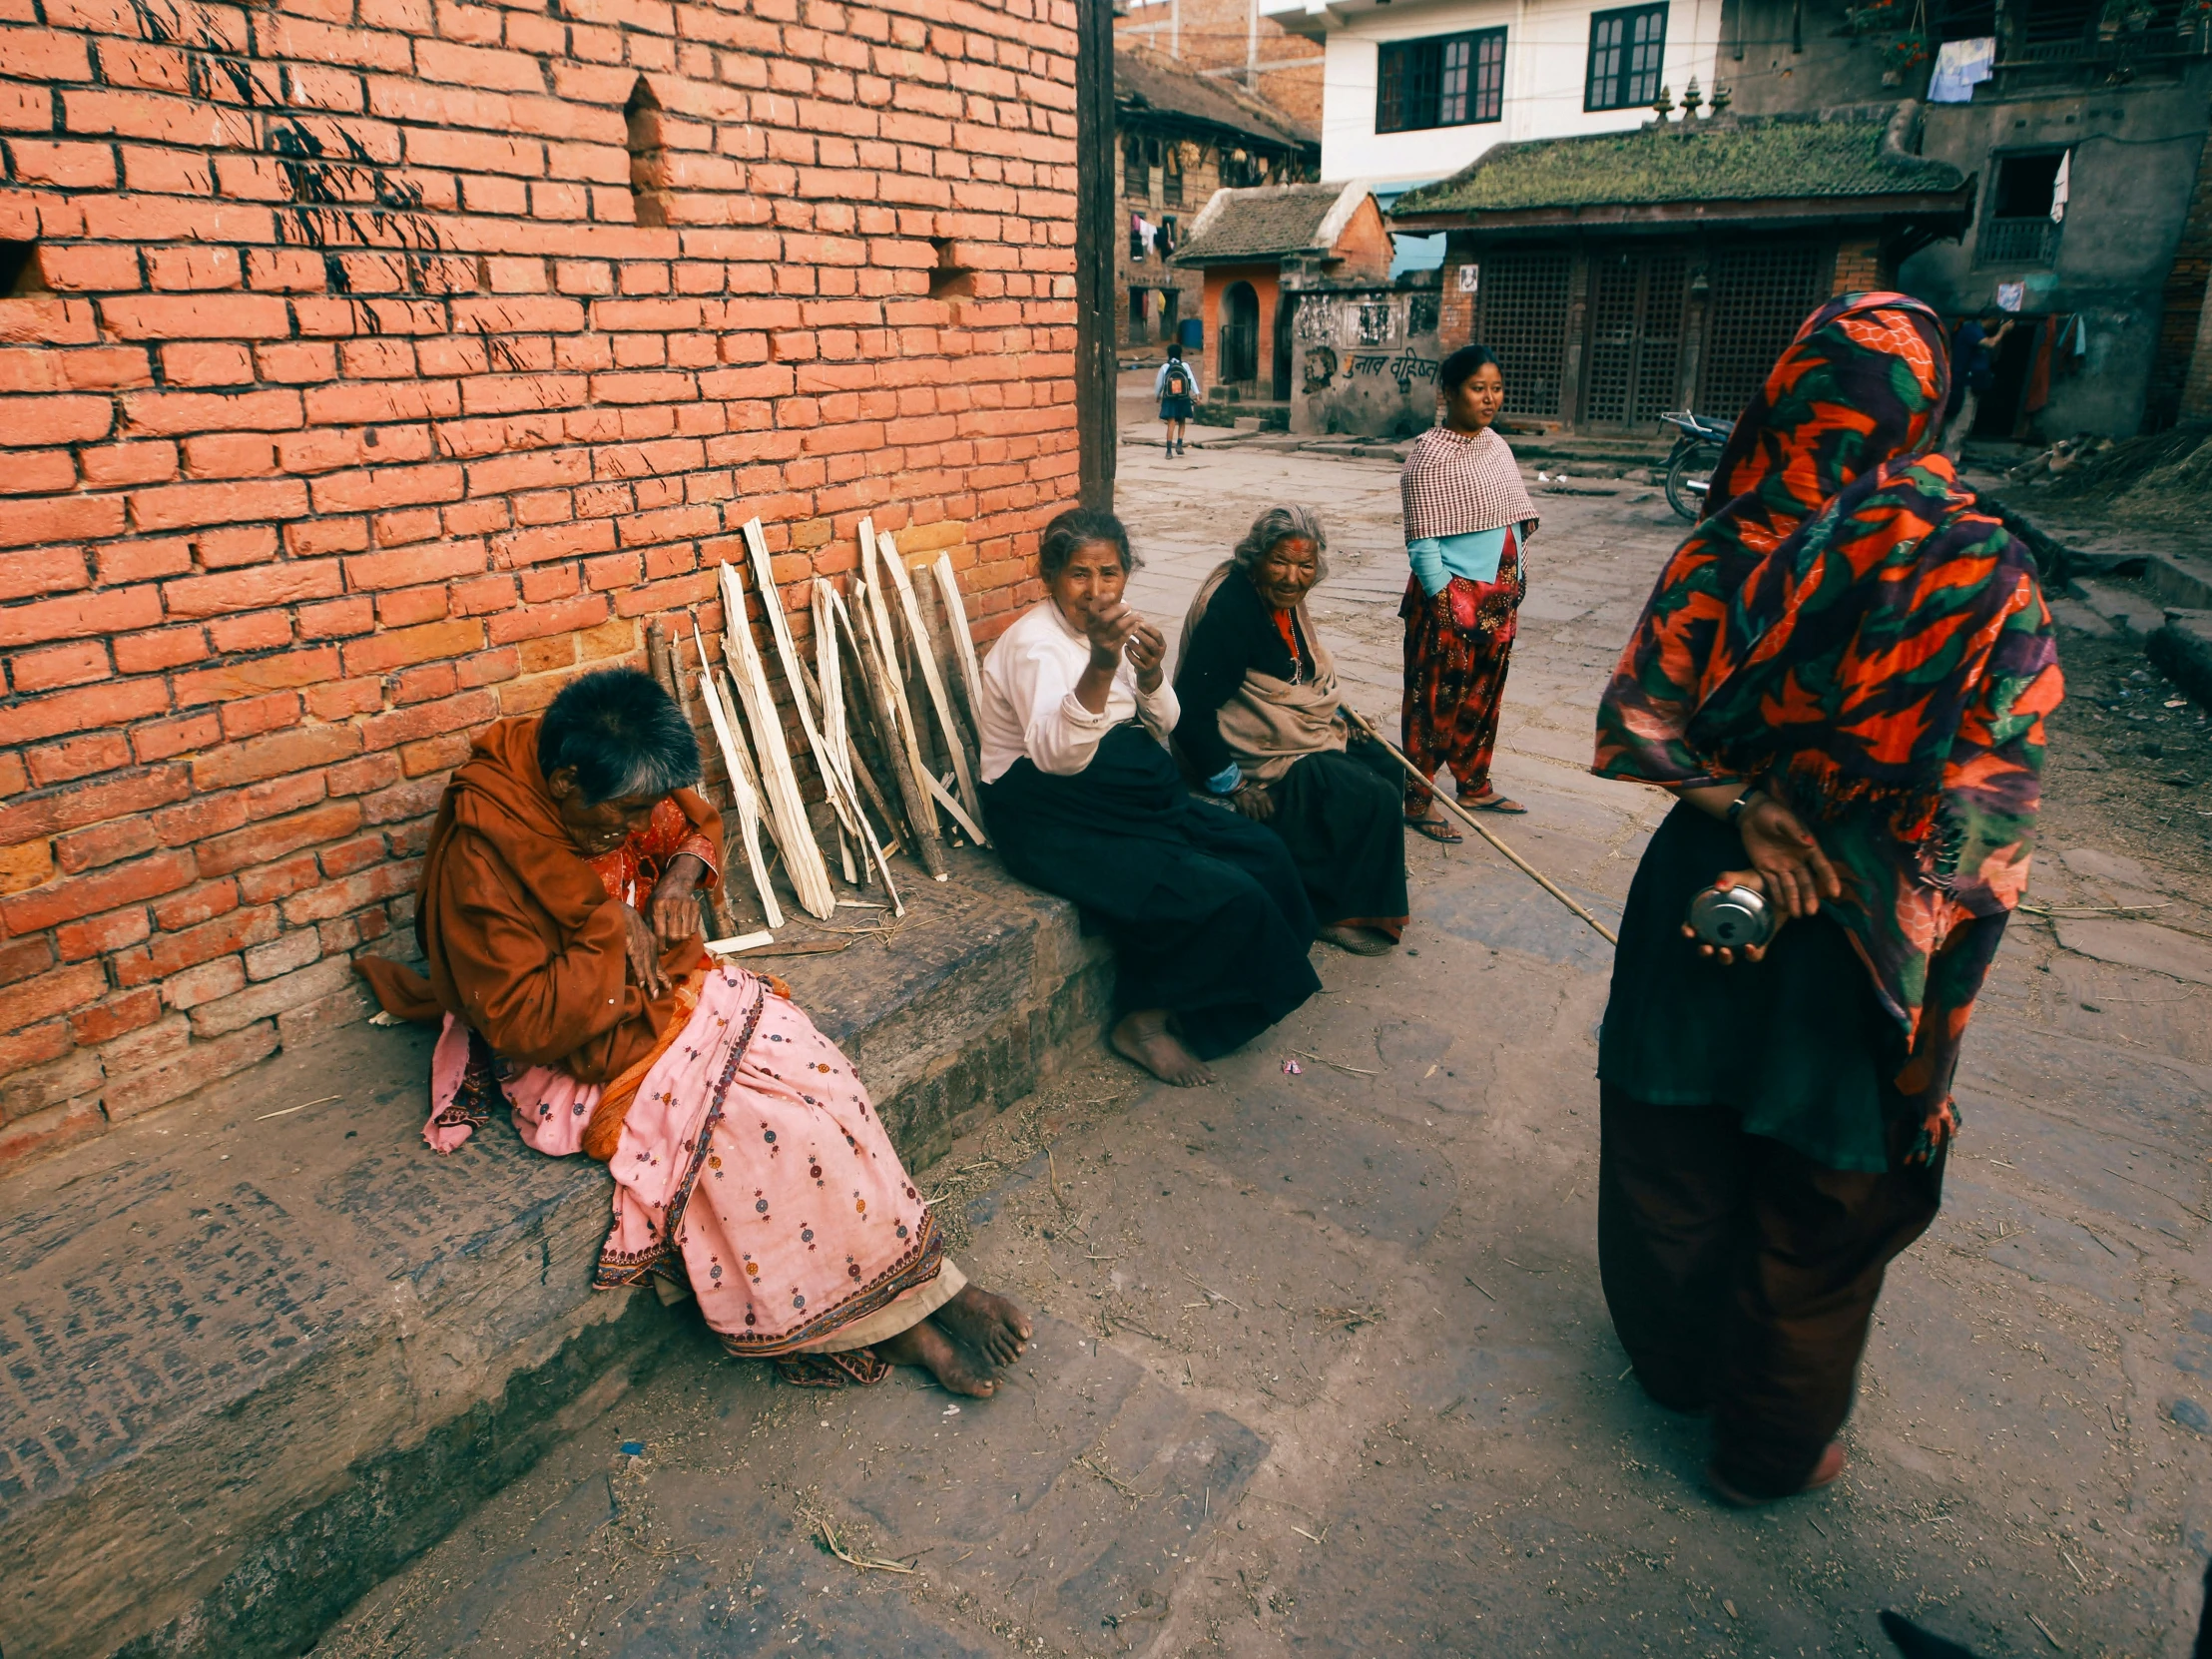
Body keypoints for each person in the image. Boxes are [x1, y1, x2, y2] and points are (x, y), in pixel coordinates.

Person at [1590, 292, 2063, 1504]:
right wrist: (1932, 1037)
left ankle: (1674, 1370)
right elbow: (1982, 840)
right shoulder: (1980, 568)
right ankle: (1764, 1454)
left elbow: (1637, 723)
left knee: (1669, 1142)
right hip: (1865, 930)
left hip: (1707, 884)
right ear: (1927, 407)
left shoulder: (1727, 539)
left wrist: (1741, 803)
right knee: (1824, 1192)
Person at [356, 668, 1031, 1395]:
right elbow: (523, 1020)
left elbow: (688, 824)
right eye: (623, 816)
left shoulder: (603, 773)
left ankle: (934, 1281)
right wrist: (609, 929)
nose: (637, 830)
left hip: (671, 991)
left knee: (821, 1080)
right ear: (562, 784)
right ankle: (905, 1330)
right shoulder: (481, 858)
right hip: (576, 1039)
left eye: (644, 812)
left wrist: (677, 879)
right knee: (764, 1131)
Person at [976, 506, 1321, 1087]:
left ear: (1126, 574)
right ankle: (1142, 1023)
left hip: (1123, 794)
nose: (1096, 590)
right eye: (1079, 575)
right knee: (1220, 893)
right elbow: (1058, 758)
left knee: (1262, 853)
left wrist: (1152, 674)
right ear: (1052, 578)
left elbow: (1165, 723)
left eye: (1108, 573)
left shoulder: (1120, 626)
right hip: (1048, 814)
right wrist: (1104, 663)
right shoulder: (1037, 647)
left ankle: (1207, 1003)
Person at [1173, 505, 1408, 955]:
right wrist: (1234, 784)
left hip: (1287, 730)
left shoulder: (1286, 602)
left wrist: (1336, 717)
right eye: (1279, 562)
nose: (1291, 577)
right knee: (1368, 793)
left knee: (1386, 762)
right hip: (1245, 749)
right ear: (1255, 558)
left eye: (1305, 566)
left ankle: (1359, 884)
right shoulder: (1232, 609)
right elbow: (1188, 710)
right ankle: (1326, 908)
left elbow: (1301, 679)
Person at [1398, 342, 1541, 837]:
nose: (1490, 399)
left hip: (1499, 600)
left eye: (1496, 389)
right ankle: (1416, 799)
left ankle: (1474, 783)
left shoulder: (1496, 445)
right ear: (1450, 393)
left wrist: (1515, 580)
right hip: (1451, 601)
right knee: (1433, 700)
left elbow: (1513, 517)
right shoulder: (1428, 456)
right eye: (1478, 389)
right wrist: (1445, 603)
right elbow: (1422, 541)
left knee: (1484, 697)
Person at [1940, 307, 2012, 459]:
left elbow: (1993, 355)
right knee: (1961, 422)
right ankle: (1948, 458)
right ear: (1992, 319)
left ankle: (1949, 456)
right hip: (1963, 382)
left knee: (1961, 421)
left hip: (1973, 383)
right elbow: (1990, 344)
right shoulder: (1971, 330)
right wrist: (2003, 331)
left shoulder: (1981, 332)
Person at [1155, 345, 1200, 458]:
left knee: (1171, 423)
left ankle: (1169, 451)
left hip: (1170, 398)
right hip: (1183, 397)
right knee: (1182, 421)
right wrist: (1197, 394)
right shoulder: (1184, 365)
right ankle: (1179, 444)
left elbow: (1159, 383)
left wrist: (1157, 395)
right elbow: (1191, 380)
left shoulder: (1165, 367)